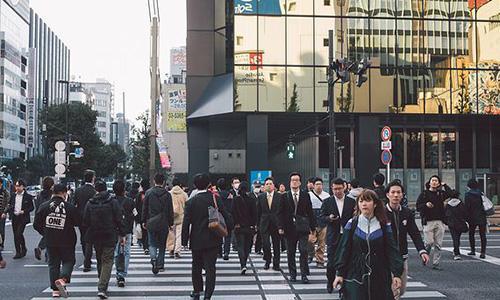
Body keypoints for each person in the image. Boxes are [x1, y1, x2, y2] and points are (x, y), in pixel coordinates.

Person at [333, 189, 403, 299]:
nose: (364, 204)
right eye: (361, 201)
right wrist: (339, 274)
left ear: (375, 204)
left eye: (367, 201)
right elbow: (344, 249)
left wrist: (397, 274)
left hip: (379, 273)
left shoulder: (384, 225)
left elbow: (392, 250)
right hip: (355, 273)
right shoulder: (352, 224)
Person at [182, 173, 231, 300]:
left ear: (194, 185)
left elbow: (186, 222)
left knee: (196, 266)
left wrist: (184, 240)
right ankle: (208, 295)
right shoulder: (215, 198)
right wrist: (229, 229)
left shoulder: (191, 202)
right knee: (210, 268)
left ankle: (197, 291)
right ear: (209, 184)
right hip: (213, 239)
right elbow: (225, 214)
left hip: (196, 239)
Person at [33, 184, 81, 298]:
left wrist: (45, 232)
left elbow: (36, 224)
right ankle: (63, 278)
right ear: (64, 193)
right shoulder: (69, 207)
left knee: (53, 264)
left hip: (50, 240)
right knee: (69, 261)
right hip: (67, 239)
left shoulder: (44, 206)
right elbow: (78, 221)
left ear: (52, 193)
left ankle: (55, 290)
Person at [385, 180, 429, 299]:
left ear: (402, 195)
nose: (396, 195)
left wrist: (422, 251)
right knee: (393, 290)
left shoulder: (407, 212)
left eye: (398, 192)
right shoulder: (381, 213)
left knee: (402, 289)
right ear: (387, 195)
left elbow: (414, 233)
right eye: (393, 192)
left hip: (402, 257)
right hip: (385, 258)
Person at [83, 181, 126, 299]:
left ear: (96, 190)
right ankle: (102, 287)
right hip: (109, 234)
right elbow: (119, 219)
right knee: (107, 260)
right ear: (106, 189)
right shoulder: (113, 202)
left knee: (99, 259)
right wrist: (122, 234)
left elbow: (85, 220)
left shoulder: (90, 203)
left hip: (95, 235)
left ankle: (102, 281)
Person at [278, 172, 316, 284]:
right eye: (292, 180)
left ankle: (304, 275)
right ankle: (293, 274)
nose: (294, 182)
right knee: (291, 252)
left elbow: (310, 211)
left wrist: (313, 228)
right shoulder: (284, 196)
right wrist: (280, 226)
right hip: (289, 228)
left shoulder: (305, 195)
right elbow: (280, 213)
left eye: (296, 180)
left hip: (303, 227)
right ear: (290, 182)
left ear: (300, 182)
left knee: (303, 251)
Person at [322, 178, 356, 293]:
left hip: (347, 236)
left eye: (339, 188)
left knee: (347, 260)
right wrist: (329, 218)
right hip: (333, 236)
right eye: (335, 189)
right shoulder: (327, 201)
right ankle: (330, 281)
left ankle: (344, 285)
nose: (337, 191)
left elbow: (355, 217)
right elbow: (321, 217)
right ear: (331, 188)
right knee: (331, 262)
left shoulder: (351, 202)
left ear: (344, 187)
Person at [416, 175, 452, 270]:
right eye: (433, 180)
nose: (434, 182)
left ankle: (436, 263)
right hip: (428, 221)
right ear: (430, 182)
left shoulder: (441, 193)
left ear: (439, 183)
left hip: (440, 221)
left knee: (438, 244)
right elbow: (418, 206)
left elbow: (451, 193)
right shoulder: (424, 193)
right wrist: (426, 205)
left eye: (436, 181)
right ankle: (425, 256)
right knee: (429, 242)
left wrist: (445, 185)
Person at [142, 173, 174, 274]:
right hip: (163, 222)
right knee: (162, 245)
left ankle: (153, 259)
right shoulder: (167, 194)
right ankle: (160, 265)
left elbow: (145, 208)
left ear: (154, 181)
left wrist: (143, 221)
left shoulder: (148, 193)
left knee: (152, 243)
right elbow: (170, 210)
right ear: (163, 182)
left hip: (151, 222)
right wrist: (170, 223)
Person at [112, 180, 136, 287]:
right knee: (126, 252)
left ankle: (118, 272)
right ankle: (122, 274)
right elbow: (135, 214)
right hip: (126, 230)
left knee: (116, 252)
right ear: (124, 190)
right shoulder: (130, 201)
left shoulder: (111, 201)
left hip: (114, 230)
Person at [73, 170, 97, 271]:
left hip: (81, 217)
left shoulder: (78, 190)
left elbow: (74, 204)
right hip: (93, 218)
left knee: (84, 239)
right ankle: (87, 260)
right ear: (92, 178)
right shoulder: (94, 191)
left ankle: (86, 257)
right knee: (91, 240)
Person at [257, 177, 282, 271]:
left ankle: (276, 264)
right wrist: (257, 225)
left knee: (276, 245)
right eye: (266, 184)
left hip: (276, 224)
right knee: (266, 244)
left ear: (274, 186)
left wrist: (281, 225)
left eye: (270, 183)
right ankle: (267, 260)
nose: (268, 185)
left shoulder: (279, 196)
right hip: (264, 223)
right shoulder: (261, 197)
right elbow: (258, 212)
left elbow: (282, 211)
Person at [232, 181, 257, 274]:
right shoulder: (251, 200)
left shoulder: (235, 199)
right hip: (249, 227)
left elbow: (232, 213)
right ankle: (245, 262)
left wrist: (235, 223)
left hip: (239, 226)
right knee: (247, 247)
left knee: (240, 246)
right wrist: (253, 224)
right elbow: (255, 214)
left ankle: (242, 264)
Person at [307, 177, 330, 268]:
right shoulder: (308, 195)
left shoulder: (327, 195)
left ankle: (320, 260)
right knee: (309, 240)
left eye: (320, 184)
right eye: (317, 184)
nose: (319, 186)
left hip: (323, 221)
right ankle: (311, 253)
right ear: (313, 185)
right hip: (312, 221)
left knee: (322, 242)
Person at [9, 179, 34, 259]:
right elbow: (10, 205)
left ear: (23, 186)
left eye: (19, 186)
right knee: (15, 235)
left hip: (23, 217)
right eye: (16, 186)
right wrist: (7, 212)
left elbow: (32, 208)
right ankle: (18, 252)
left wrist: (24, 211)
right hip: (15, 217)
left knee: (19, 233)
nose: (17, 188)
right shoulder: (13, 195)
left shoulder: (28, 197)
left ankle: (23, 248)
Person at [464, 179, 487, 259]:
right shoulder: (481, 193)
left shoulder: (468, 194)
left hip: (472, 217)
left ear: (469, 185)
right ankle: (483, 252)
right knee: (482, 235)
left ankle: (473, 250)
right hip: (482, 216)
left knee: (471, 234)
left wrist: (465, 217)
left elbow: (467, 207)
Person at [34, 176, 55, 261]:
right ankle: (43, 250)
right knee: (51, 235)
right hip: (49, 218)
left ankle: (45, 252)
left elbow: (37, 206)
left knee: (48, 235)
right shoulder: (52, 195)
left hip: (39, 219)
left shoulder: (39, 195)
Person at [445, 190, 468, 260]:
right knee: (458, 237)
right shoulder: (461, 203)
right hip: (460, 223)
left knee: (454, 238)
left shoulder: (448, 204)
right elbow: (465, 213)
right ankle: (456, 251)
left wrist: (447, 222)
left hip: (452, 224)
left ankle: (456, 252)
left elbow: (445, 214)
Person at [168, 178, 187, 259]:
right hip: (181, 216)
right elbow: (187, 205)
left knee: (171, 233)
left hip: (171, 216)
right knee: (179, 234)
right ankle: (177, 251)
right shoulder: (184, 194)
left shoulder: (169, 193)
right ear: (180, 185)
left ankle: (171, 250)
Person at [219, 178, 233, 260]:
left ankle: (219, 252)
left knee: (219, 235)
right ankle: (226, 252)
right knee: (228, 236)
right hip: (228, 216)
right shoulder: (230, 195)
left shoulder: (216, 195)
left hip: (219, 217)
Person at [135, 179, 150, 254]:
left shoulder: (139, 195)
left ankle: (145, 247)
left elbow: (136, 207)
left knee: (144, 232)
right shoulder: (150, 193)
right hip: (150, 216)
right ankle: (148, 245)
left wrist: (137, 218)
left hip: (141, 216)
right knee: (149, 232)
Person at [249, 181, 263, 254]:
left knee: (260, 234)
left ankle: (258, 249)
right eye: (256, 186)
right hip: (251, 217)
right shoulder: (249, 195)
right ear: (253, 186)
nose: (257, 188)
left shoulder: (262, 195)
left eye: (258, 186)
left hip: (260, 217)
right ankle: (249, 248)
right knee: (251, 234)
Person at [0, 180, 9, 268]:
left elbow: (8, 203)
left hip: (1, 213)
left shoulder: (5, 192)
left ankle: (1, 244)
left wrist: (5, 212)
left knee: (1, 229)